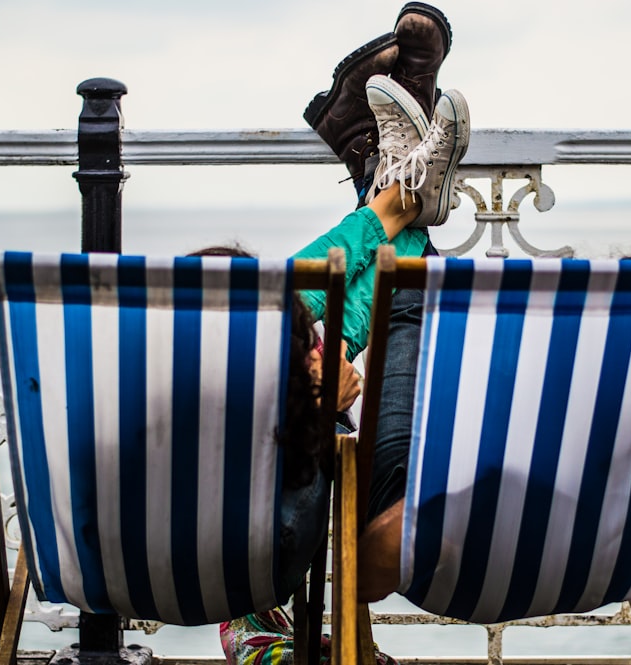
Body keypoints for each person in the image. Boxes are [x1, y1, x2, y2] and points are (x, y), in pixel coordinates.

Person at [220, 4, 466, 663]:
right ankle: (395, 195)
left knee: (278, 306)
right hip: (278, 542)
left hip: (144, 553)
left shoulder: (144, 431)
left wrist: (311, 374)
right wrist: (319, 404)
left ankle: (387, 189)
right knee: (290, 303)